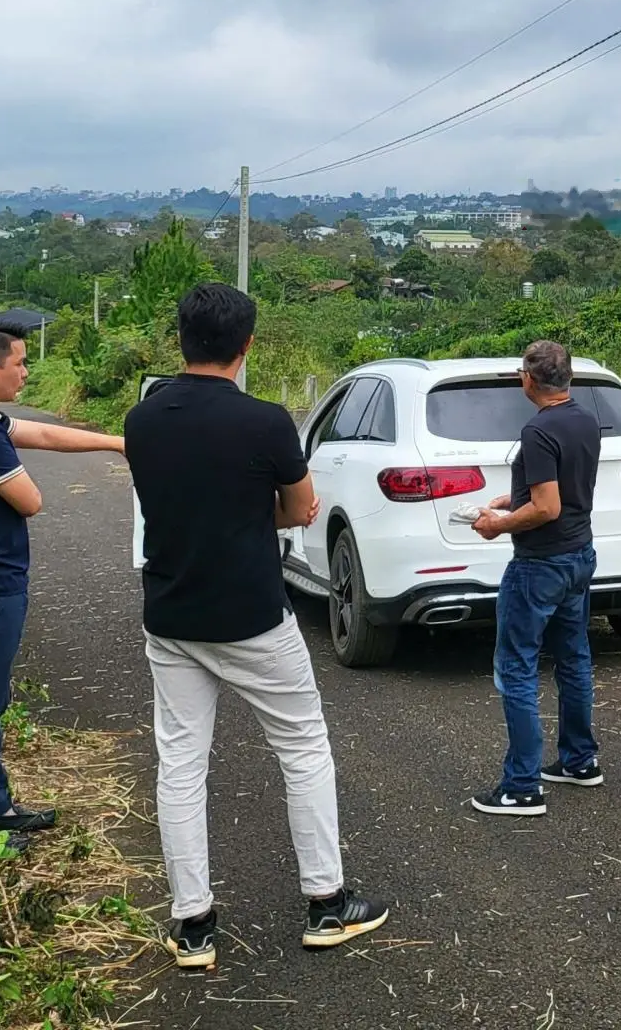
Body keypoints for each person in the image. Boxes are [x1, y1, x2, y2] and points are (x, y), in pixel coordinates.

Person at [125, 282, 388, 969]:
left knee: (180, 764)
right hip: (251, 617)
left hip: (172, 616)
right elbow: (298, 509)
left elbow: (172, 505)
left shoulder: (142, 420)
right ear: (246, 347)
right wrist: (269, 510)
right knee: (302, 747)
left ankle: (192, 925)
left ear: (179, 339)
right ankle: (327, 904)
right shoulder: (267, 422)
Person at [0, 320, 126, 852]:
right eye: (19, 364)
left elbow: (40, 434)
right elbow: (31, 500)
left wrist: (114, 442)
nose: (26, 373)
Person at [470, 339, 602, 816]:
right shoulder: (585, 419)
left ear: (528, 379)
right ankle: (579, 761)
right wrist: (511, 499)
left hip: (539, 564)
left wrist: (496, 525)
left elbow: (548, 507)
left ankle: (522, 785)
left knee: (518, 669)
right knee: (574, 659)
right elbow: (561, 487)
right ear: (568, 377)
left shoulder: (538, 431)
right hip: (578, 555)